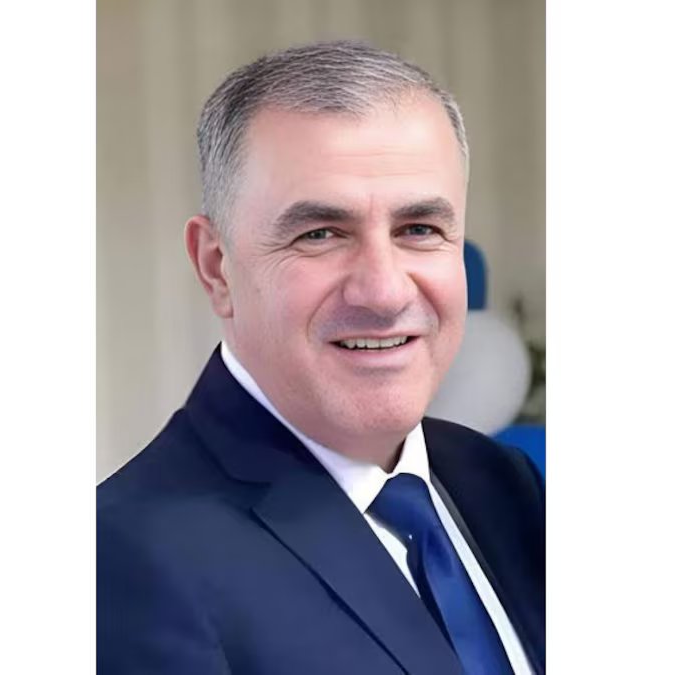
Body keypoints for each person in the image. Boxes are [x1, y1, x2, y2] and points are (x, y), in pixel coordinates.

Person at [97, 40, 545, 675]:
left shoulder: (504, 483)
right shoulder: (119, 563)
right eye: (320, 234)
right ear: (217, 267)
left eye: (419, 229)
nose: (385, 291)